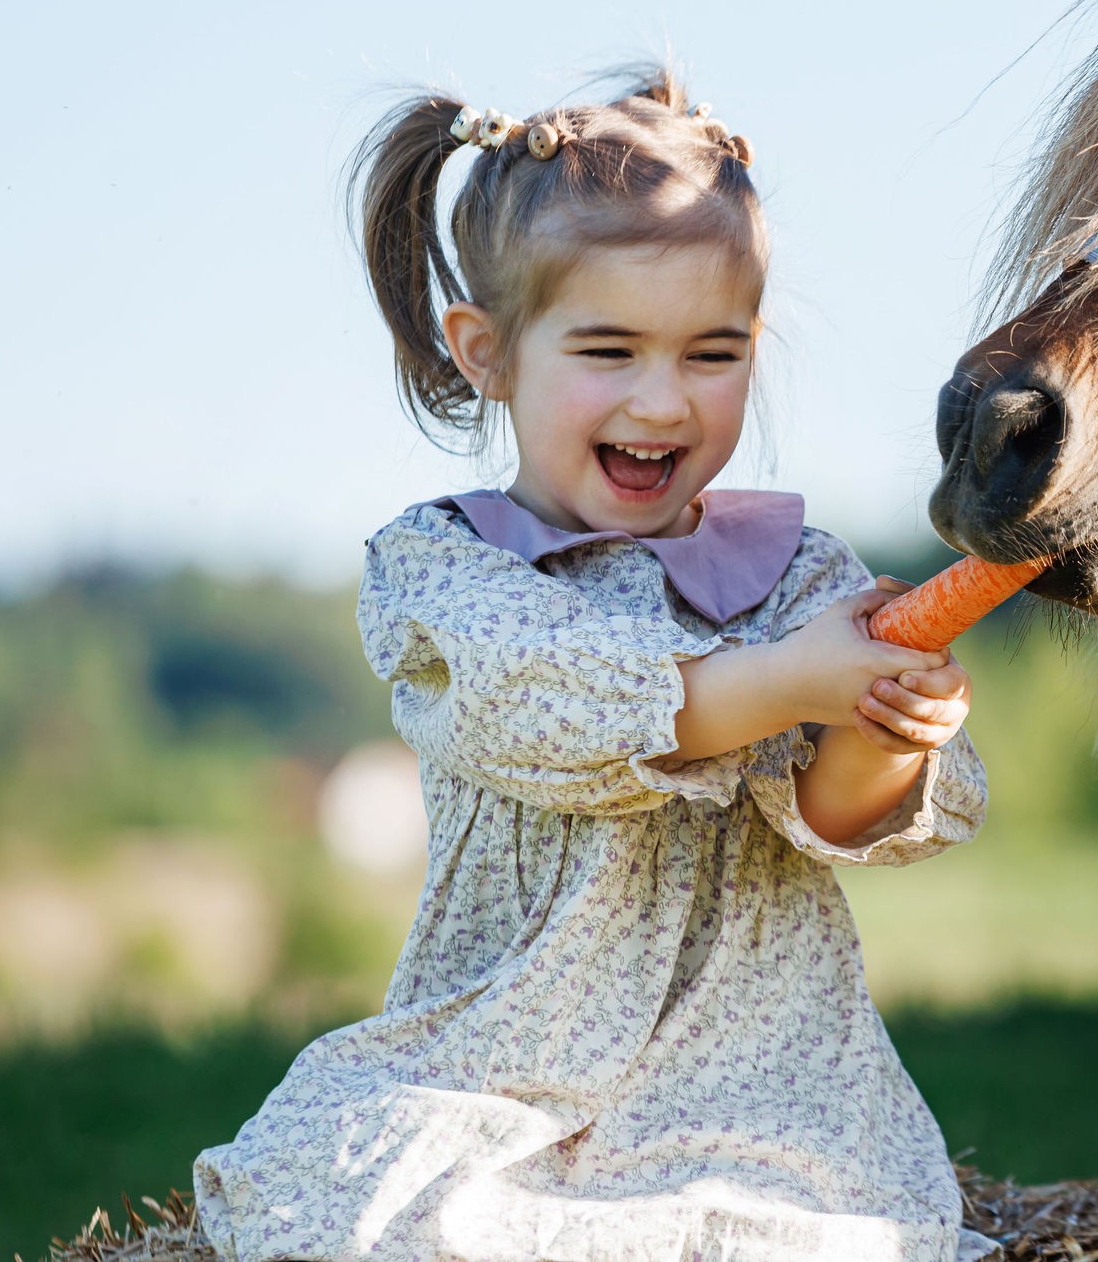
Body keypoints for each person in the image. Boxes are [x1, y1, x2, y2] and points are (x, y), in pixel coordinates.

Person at [193, 73, 996, 1262]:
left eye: (712, 353)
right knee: (368, 1212)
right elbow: (564, 709)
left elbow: (830, 814)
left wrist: (879, 720)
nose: (662, 401)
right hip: (502, 1071)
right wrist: (793, 680)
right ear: (487, 352)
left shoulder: (797, 575)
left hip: (758, 1088)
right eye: (608, 350)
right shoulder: (447, 570)